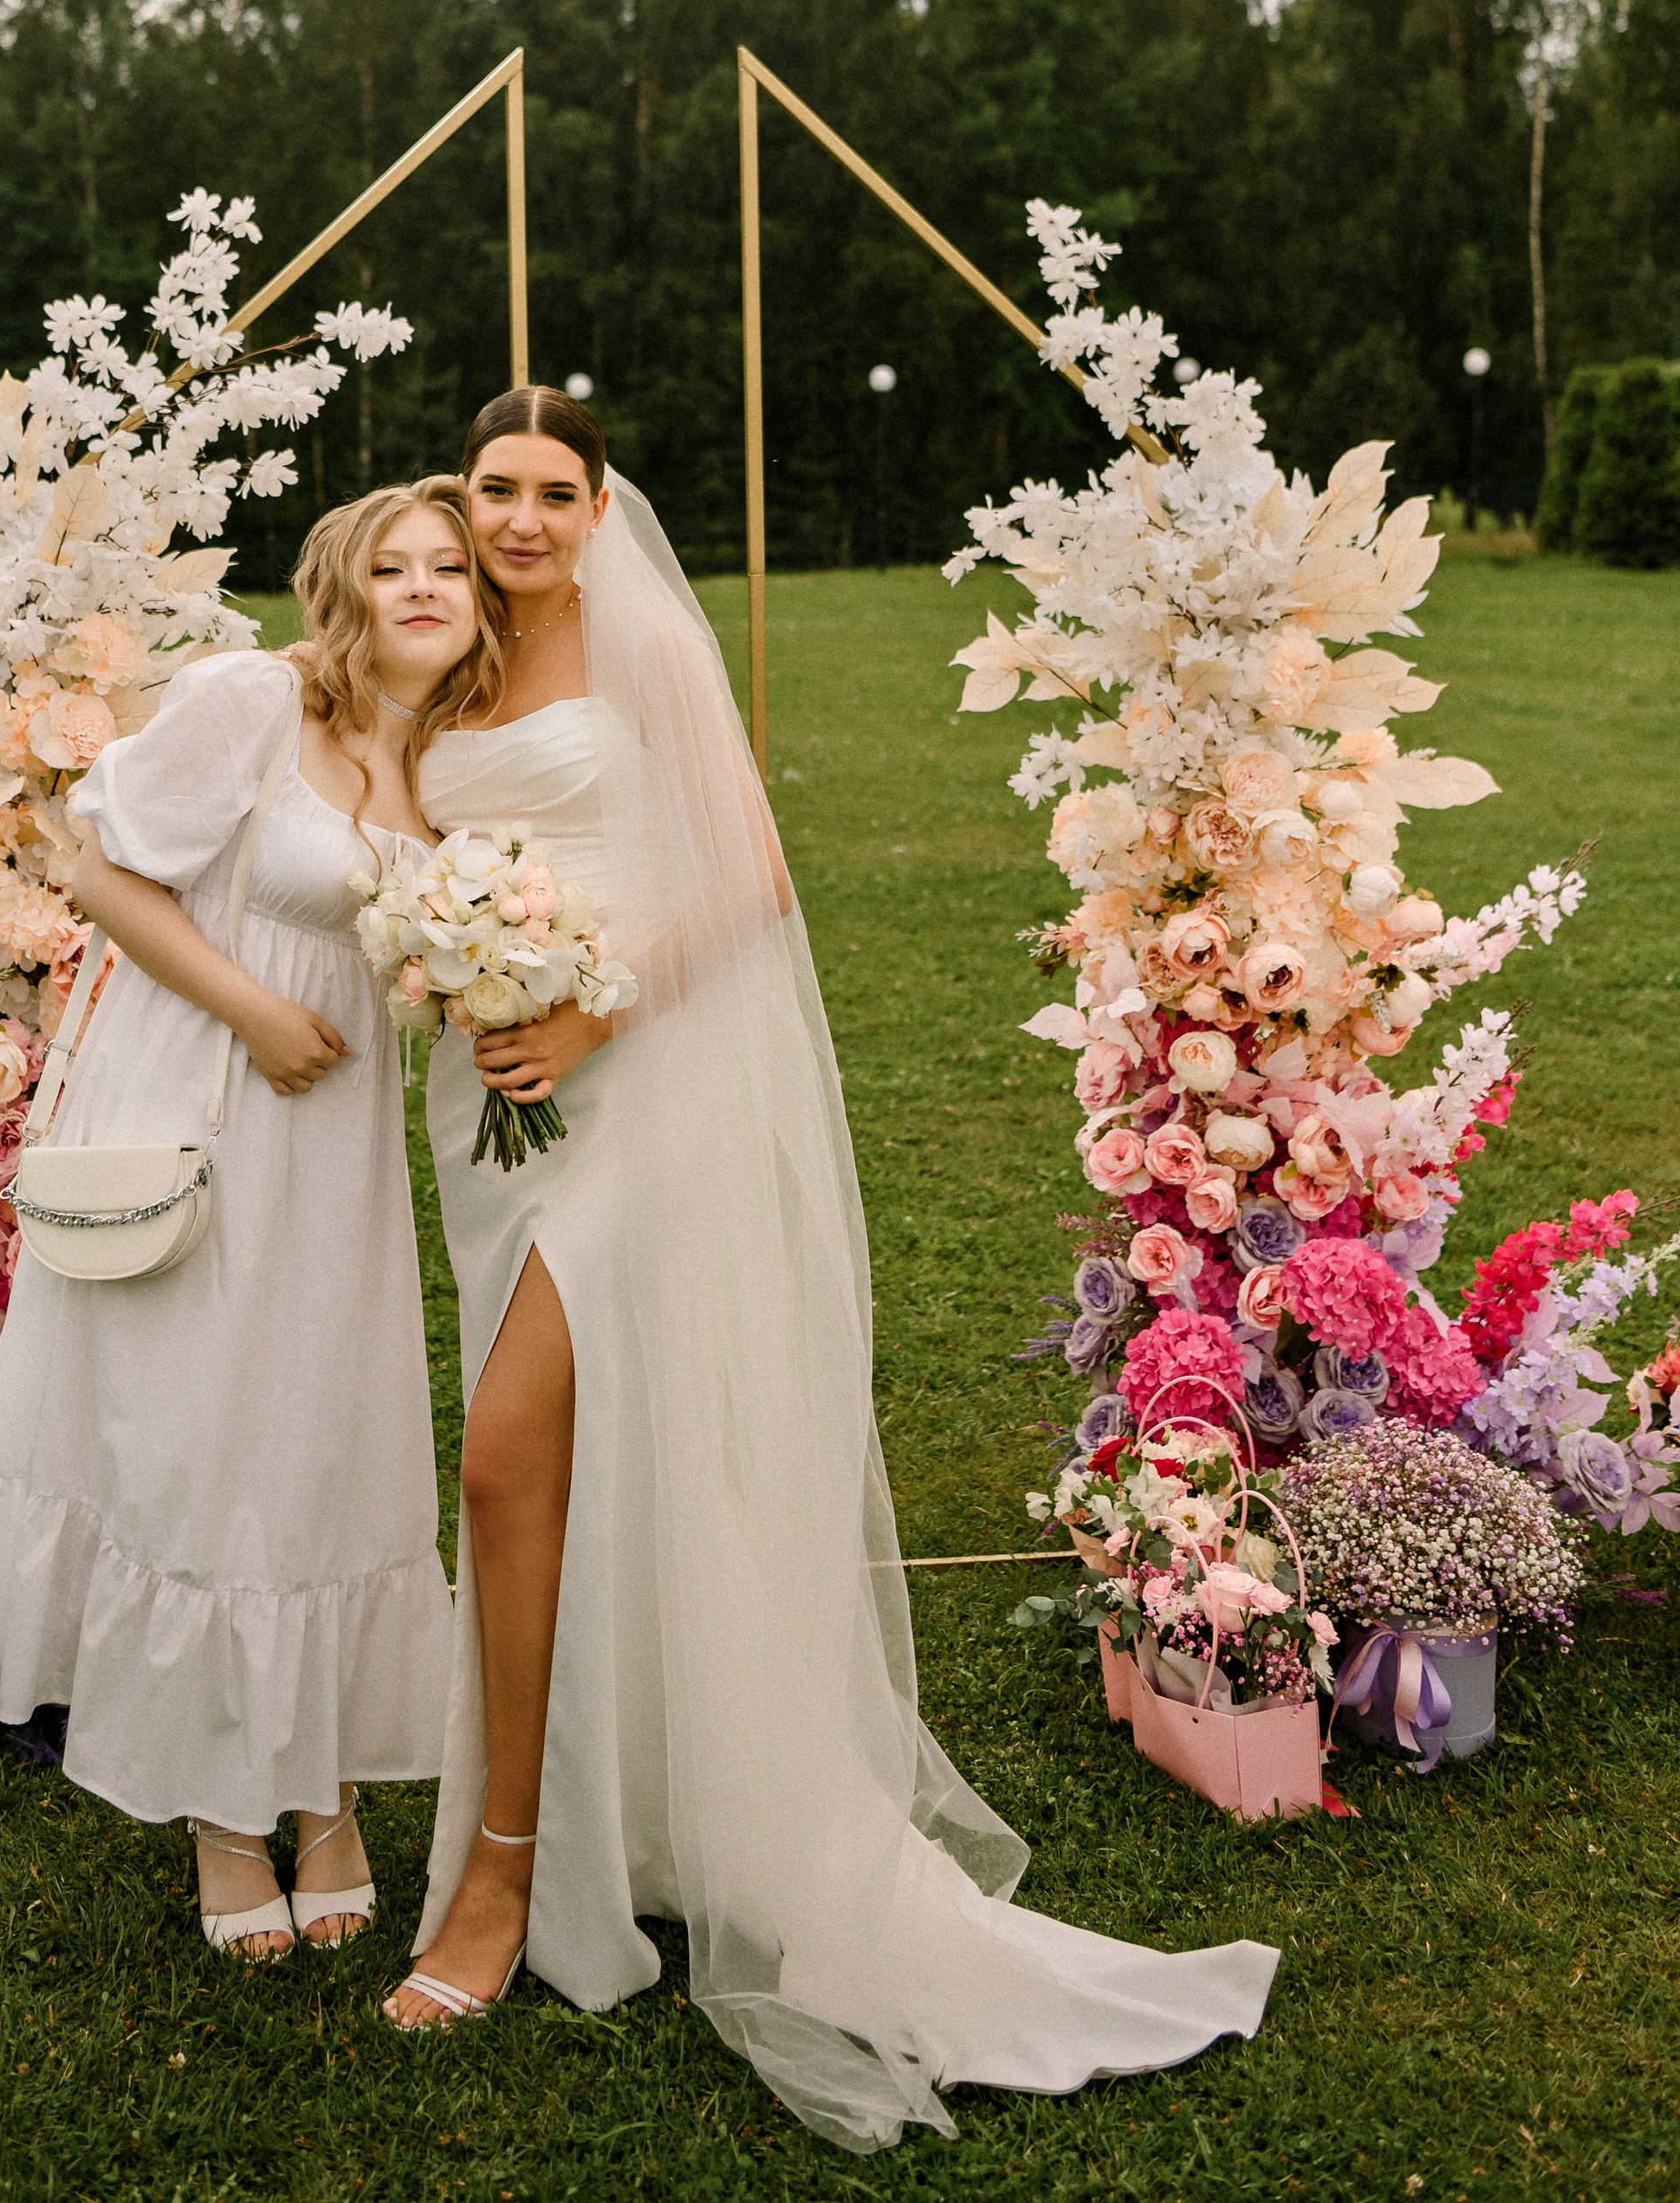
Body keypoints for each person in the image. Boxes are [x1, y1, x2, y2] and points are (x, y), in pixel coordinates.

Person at [384, 387, 1278, 2148]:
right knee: (556, 1471)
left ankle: (499, 1883)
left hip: (631, 1082)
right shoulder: (442, 658)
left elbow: (752, 874)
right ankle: (608, 1817)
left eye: (551, 492)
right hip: (491, 1103)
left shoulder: (635, 644)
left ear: (597, 505)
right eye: (492, 488)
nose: (517, 520)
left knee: (498, 1455)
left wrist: (584, 1003)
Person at [0, 479, 494, 1957]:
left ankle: (328, 1791)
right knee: (210, 1438)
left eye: (453, 568)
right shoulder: (252, 699)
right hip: (205, 1096)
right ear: (340, 588)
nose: (423, 587)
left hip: (336, 1140)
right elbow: (102, 873)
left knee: (326, 1426)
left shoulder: (449, 756)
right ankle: (229, 1812)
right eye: (393, 565)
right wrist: (258, 1010)